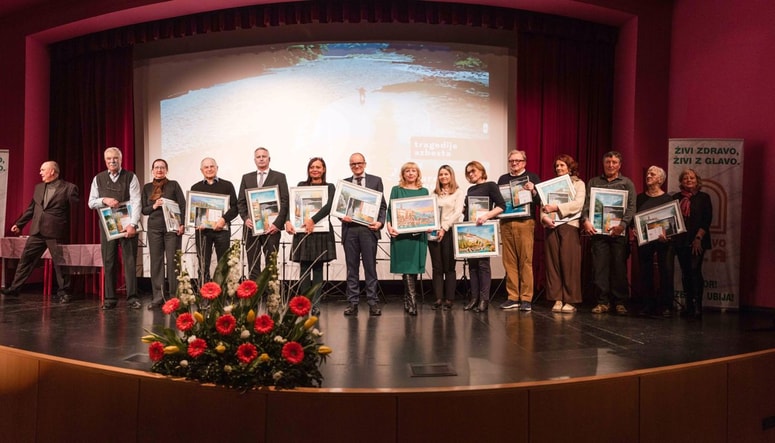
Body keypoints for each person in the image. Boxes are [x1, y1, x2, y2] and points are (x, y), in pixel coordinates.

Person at [1, 161, 79, 302]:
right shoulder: (39, 188)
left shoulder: (69, 188)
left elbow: (76, 210)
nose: (40, 172)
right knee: (26, 259)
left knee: (60, 263)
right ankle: (15, 288)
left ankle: (64, 292)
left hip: (55, 231)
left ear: (52, 171)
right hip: (37, 231)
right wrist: (19, 223)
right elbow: (32, 208)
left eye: (43, 170)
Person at [581, 151, 637, 315]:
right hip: (599, 234)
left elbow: (632, 207)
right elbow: (586, 205)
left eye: (614, 162)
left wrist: (623, 224)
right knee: (600, 269)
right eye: (608, 162)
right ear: (603, 163)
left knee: (619, 269)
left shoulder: (627, 183)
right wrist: (585, 220)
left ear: (620, 165)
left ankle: (620, 302)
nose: (611, 165)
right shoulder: (594, 182)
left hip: (619, 234)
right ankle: (602, 302)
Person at [88, 147, 142, 310]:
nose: (112, 161)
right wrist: (104, 200)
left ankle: (132, 297)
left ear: (121, 159)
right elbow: (91, 202)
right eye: (109, 159)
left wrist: (133, 224)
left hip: (127, 224)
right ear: (105, 161)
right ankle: (110, 298)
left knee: (130, 261)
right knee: (109, 261)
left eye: (115, 158)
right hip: (107, 225)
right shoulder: (98, 178)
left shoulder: (131, 177)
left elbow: (136, 201)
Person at [284, 157, 336, 316]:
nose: (315, 169)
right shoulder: (301, 186)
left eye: (318, 167)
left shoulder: (330, 187)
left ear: (324, 169)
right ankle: (304, 303)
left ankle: (316, 304)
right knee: (304, 268)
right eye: (312, 167)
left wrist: (312, 220)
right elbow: (292, 205)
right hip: (303, 231)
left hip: (321, 231)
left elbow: (329, 206)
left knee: (318, 268)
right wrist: (287, 220)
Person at [341, 152, 387, 317]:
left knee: (370, 268)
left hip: (369, 230)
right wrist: (341, 215)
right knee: (352, 269)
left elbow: (382, 206)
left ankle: (372, 302)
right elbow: (339, 207)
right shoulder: (344, 184)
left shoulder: (376, 181)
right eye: (353, 164)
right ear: (350, 166)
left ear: (365, 164)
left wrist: (380, 223)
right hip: (350, 230)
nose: (356, 166)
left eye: (359, 163)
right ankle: (352, 303)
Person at [540, 154, 585, 313]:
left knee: (569, 263)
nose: (559, 168)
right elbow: (543, 206)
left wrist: (557, 208)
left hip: (569, 225)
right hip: (552, 226)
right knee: (553, 263)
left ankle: (570, 300)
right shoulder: (549, 185)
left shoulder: (578, 184)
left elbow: (578, 204)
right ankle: (557, 298)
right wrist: (544, 218)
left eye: (562, 165)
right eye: (557, 166)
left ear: (570, 167)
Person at [497, 150, 540, 312]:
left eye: (517, 161)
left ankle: (526, 299)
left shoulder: (532, 177)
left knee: (525, 261)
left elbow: (539, 200)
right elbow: (499, 200)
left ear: (524, 162)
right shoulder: (503, 179)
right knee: (509, 262)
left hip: (525, 222)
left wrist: (533, 190)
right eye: (511, 161)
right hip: (506, 223)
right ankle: (513, 297)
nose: (514, 163)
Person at [237, 147, 289, 281]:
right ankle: (254, 297)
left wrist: (277, 224)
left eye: (264, 156)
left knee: (271, 264)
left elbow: (284, 202)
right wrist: (245, 218)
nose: (261, 159)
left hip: (272, 229)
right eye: (258, 157)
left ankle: (271, 296)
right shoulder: (246, 177)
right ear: (254, 160)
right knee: (253, 263)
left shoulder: (279, 176)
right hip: (251, 228)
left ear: (269, 159)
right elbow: (241, 202)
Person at [385, 162, 429, 316]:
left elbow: (427, 212)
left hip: (418, 236)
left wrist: (430, 224)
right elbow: (390, 211)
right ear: (403, 174)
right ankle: (412, 302)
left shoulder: (424, 191)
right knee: (407, 268)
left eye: (413, 171)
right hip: (401, 236)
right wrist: (389, 226)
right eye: (407, 171)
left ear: (418, 173)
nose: (410, 173)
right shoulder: (396, 190)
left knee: (413, 267)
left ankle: (408, 300)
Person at [142, 159, 186, 310]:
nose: (159, 170)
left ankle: (174, 296)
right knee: (156, 262)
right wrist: (154, 205)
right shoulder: (147, 188)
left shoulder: (173, 184)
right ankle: (158, 297)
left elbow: (183, 205)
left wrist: (182, 224)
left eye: (162, 167)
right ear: (152, 171)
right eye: (156, 167)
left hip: (172, 229)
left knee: (173, 262)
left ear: (166, 170)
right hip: (154, 229)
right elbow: (144, 210)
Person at [462, 160, 505, 312]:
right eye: (468, 172)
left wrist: (487, 216)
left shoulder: (491, 185)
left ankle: (484, 300)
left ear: (481, 171)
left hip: (484, 230)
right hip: (470, 230)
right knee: (472, 267)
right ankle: (474, 298)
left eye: (473, 171)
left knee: (483, 266)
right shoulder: (470, 190)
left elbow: (501, 206)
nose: (471, 174)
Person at [190, 157, 238, 283]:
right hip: (203, 232)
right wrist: (196, 222)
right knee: (203, 265)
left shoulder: (227, 185)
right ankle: (205, 296)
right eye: (206, 167)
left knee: (223, 264)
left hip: (222, 231)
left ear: (217, 168)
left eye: (212, 166)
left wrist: (224, 219)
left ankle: (222, 296)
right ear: (201, 170)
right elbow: (192, 212)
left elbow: (235, 207)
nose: (209, 169)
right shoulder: (195, 187)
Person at [635, 166, 675, 317]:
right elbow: (635, 218)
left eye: (652, 174)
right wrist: (634, 229)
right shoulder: (640, 198)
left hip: (663, 240)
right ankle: (647, 305)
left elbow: (672, 222)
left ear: (660, 179)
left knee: (666, 271)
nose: (648, 175)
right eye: (647, 173)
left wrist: (667, 234)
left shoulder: (668, 199)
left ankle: (666, 306)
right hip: (645, 241)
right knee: (645, 272)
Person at [673, 168, 712, 320]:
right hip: (681, 240)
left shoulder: (704, 197)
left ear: (697, 181)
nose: (689, 180)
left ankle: (697, 308)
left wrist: (698, 238)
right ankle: (688, 306)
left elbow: (707, 220)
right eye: (685, 178)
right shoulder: (676, 198)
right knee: (685, 272)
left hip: (698, 240)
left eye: (692, 178)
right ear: (681, 182)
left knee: (695, 271)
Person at [428, 165, 465, 310]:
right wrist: (430, 225)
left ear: (451, 175)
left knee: (449, 267)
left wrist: (444, 227)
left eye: (446, 174)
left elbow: (457, 212)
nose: (443, 177)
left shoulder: (458, 192)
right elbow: (429, 212)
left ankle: (449, 299)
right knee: (437, 267)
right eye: (441, 174)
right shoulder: (434, 194)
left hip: (449, 231)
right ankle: (438, 298)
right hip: (434, 232)